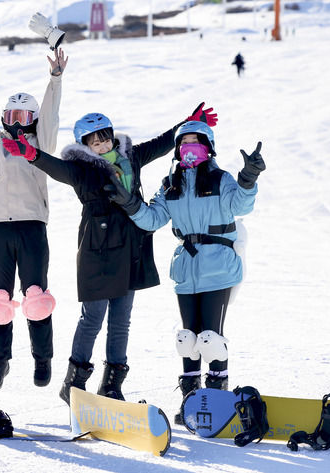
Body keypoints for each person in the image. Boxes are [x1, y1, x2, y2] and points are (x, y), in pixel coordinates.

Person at [2, 104, 213, 404]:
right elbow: (56, 168)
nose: (101, 145)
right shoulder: (81, 170)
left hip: (131, 248)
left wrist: (187, 123)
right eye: (93, 142)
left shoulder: (131, 157)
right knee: (92, 318)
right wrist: (32, 154)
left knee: (121, 320)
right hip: (97, 251)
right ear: (84, 145)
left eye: (104, 138)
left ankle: (112, 385)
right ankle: (74, 383)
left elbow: (161, 143)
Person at [104, 112, 265, 423]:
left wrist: (249, 178)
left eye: (196, 142)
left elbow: (241, 206)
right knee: (188, 340)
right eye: (184, 143)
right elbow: (152, 219)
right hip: (186, 270)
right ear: (177, 150)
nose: (189, 147)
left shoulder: (221, 179)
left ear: (208, 147)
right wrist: (129, 202)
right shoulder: (170, 185)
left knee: (211, 339)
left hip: (219, 267)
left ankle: (216, 399)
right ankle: (191, 401)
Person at [0, 38, 68, 391]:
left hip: (32, 226)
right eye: (10, 117)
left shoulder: (40, 144)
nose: (15, 123)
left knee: (36, 298)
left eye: (22, 117)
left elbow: (51, 114)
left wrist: (55, 79)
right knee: (0, 301)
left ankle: (42, 358)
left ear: (32, 119)